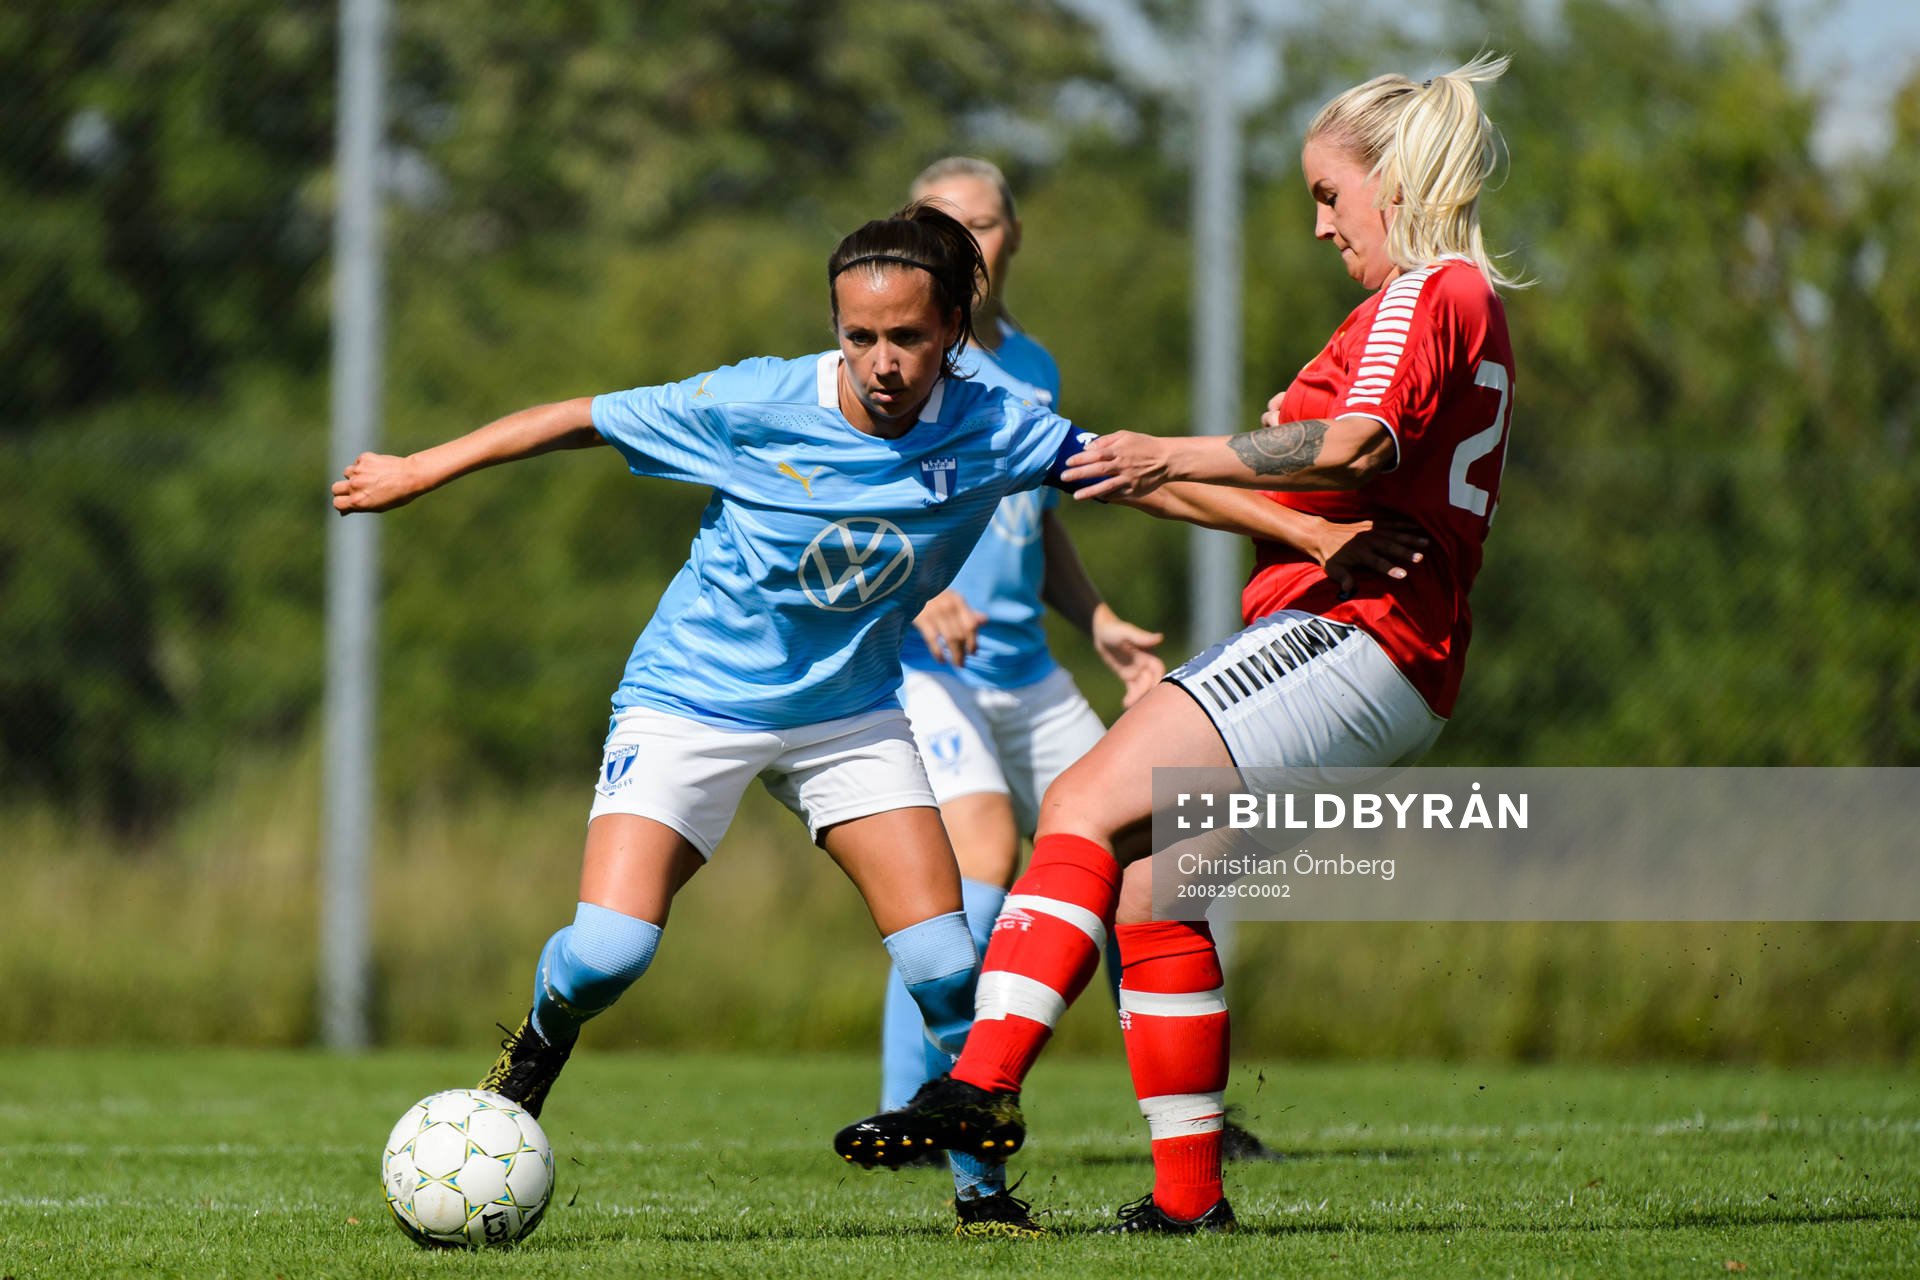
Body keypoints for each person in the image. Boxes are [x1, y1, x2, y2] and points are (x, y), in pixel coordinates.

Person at [332, 201, 1414, 1238]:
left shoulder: (996, 425)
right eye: (860, 336)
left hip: (848, 714)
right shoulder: (756, 402)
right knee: (609, 952)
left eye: (908, 335)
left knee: (950, 965)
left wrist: (1304, 536)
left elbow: (1143, 479)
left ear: (953, 330)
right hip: (690, 703)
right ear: (834, 332)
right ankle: (537, 1042)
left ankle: (985, 1197)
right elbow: (580, 416)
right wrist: (418, 469)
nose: (883, 360)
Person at [834, 53, 1520, 1235]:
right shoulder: (1413, 307)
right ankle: (1188, 1203)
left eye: (1328, 194)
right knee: (1153, 888)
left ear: (1395, 185)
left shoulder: (1430, 289)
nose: (1320, 225)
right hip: (1373, 640)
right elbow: (1300, 478)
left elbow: (1350, 452)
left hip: (1359, 627)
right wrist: (1134, 464)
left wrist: (1183, 449)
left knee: (1090, 795)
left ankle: (979, 1084)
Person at [881, 157, 1293, 1168]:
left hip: (1026, 668)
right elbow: (853, 505)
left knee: (1146, 848)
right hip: (927, 668)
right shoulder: (892, 360)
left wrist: (1098, 614)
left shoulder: (1035, 366)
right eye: (944, 223)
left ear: (1012, 237)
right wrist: (921, 586)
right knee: (974, 860)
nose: (966, 240)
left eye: (983, 223)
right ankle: (917, 1110)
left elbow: (1039, 516)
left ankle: (1187, 1109)